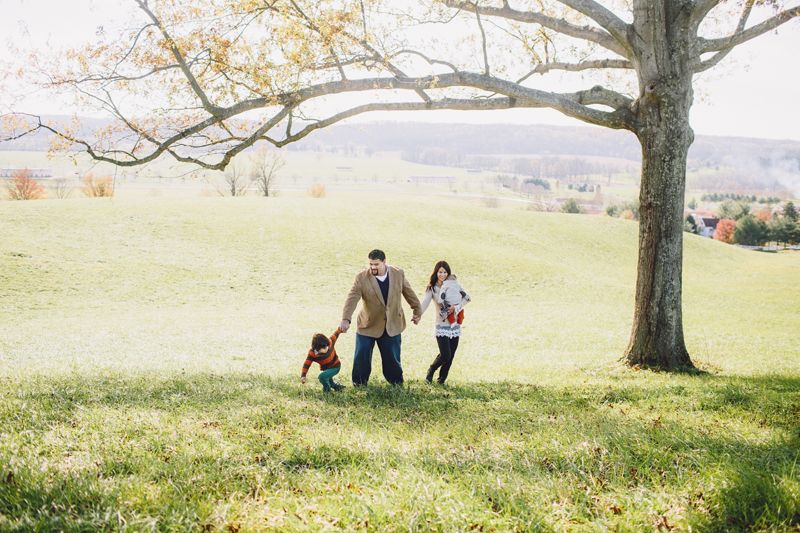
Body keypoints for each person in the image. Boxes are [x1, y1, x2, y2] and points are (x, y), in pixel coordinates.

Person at [340, 249, 422, 386]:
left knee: (392, 357)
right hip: (368, 325)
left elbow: (408, 292)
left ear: (384, 262)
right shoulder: (361, 277)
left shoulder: (398, 274)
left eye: (376, 264)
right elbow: (352, 298)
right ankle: (359, 383)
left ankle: (396, 383)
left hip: (392, 324)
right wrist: (345, 319)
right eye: (370, 264)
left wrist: (417, 311)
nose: (372, 267)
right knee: (362, 355)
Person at [419, 260, 471, 384]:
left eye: (445, 272)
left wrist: (456, 307)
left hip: (455, 325)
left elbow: (466, 298)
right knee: (445, 355)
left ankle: (441, 379)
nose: (442, 274)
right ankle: (431, 369)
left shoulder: (453, 285)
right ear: (436, 272)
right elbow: (425, 302)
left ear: (448, 274)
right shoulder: (432, 288)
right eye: (440, 272)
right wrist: (417, 314)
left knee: (451, 355)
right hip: (441, 325)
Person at [301, 327, 346, 392]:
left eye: (327, 346)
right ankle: (337, 387)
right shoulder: (312, 353)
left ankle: (327, 392)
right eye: (324, 348)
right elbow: (306, 364)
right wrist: (303, 375)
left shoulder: (330, 342)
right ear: (317, 348)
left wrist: (340, 329)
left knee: (322, 377)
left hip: (336, 366)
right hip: (326, 369)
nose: (327, 348)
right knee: (329, 380)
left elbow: (335, 334)